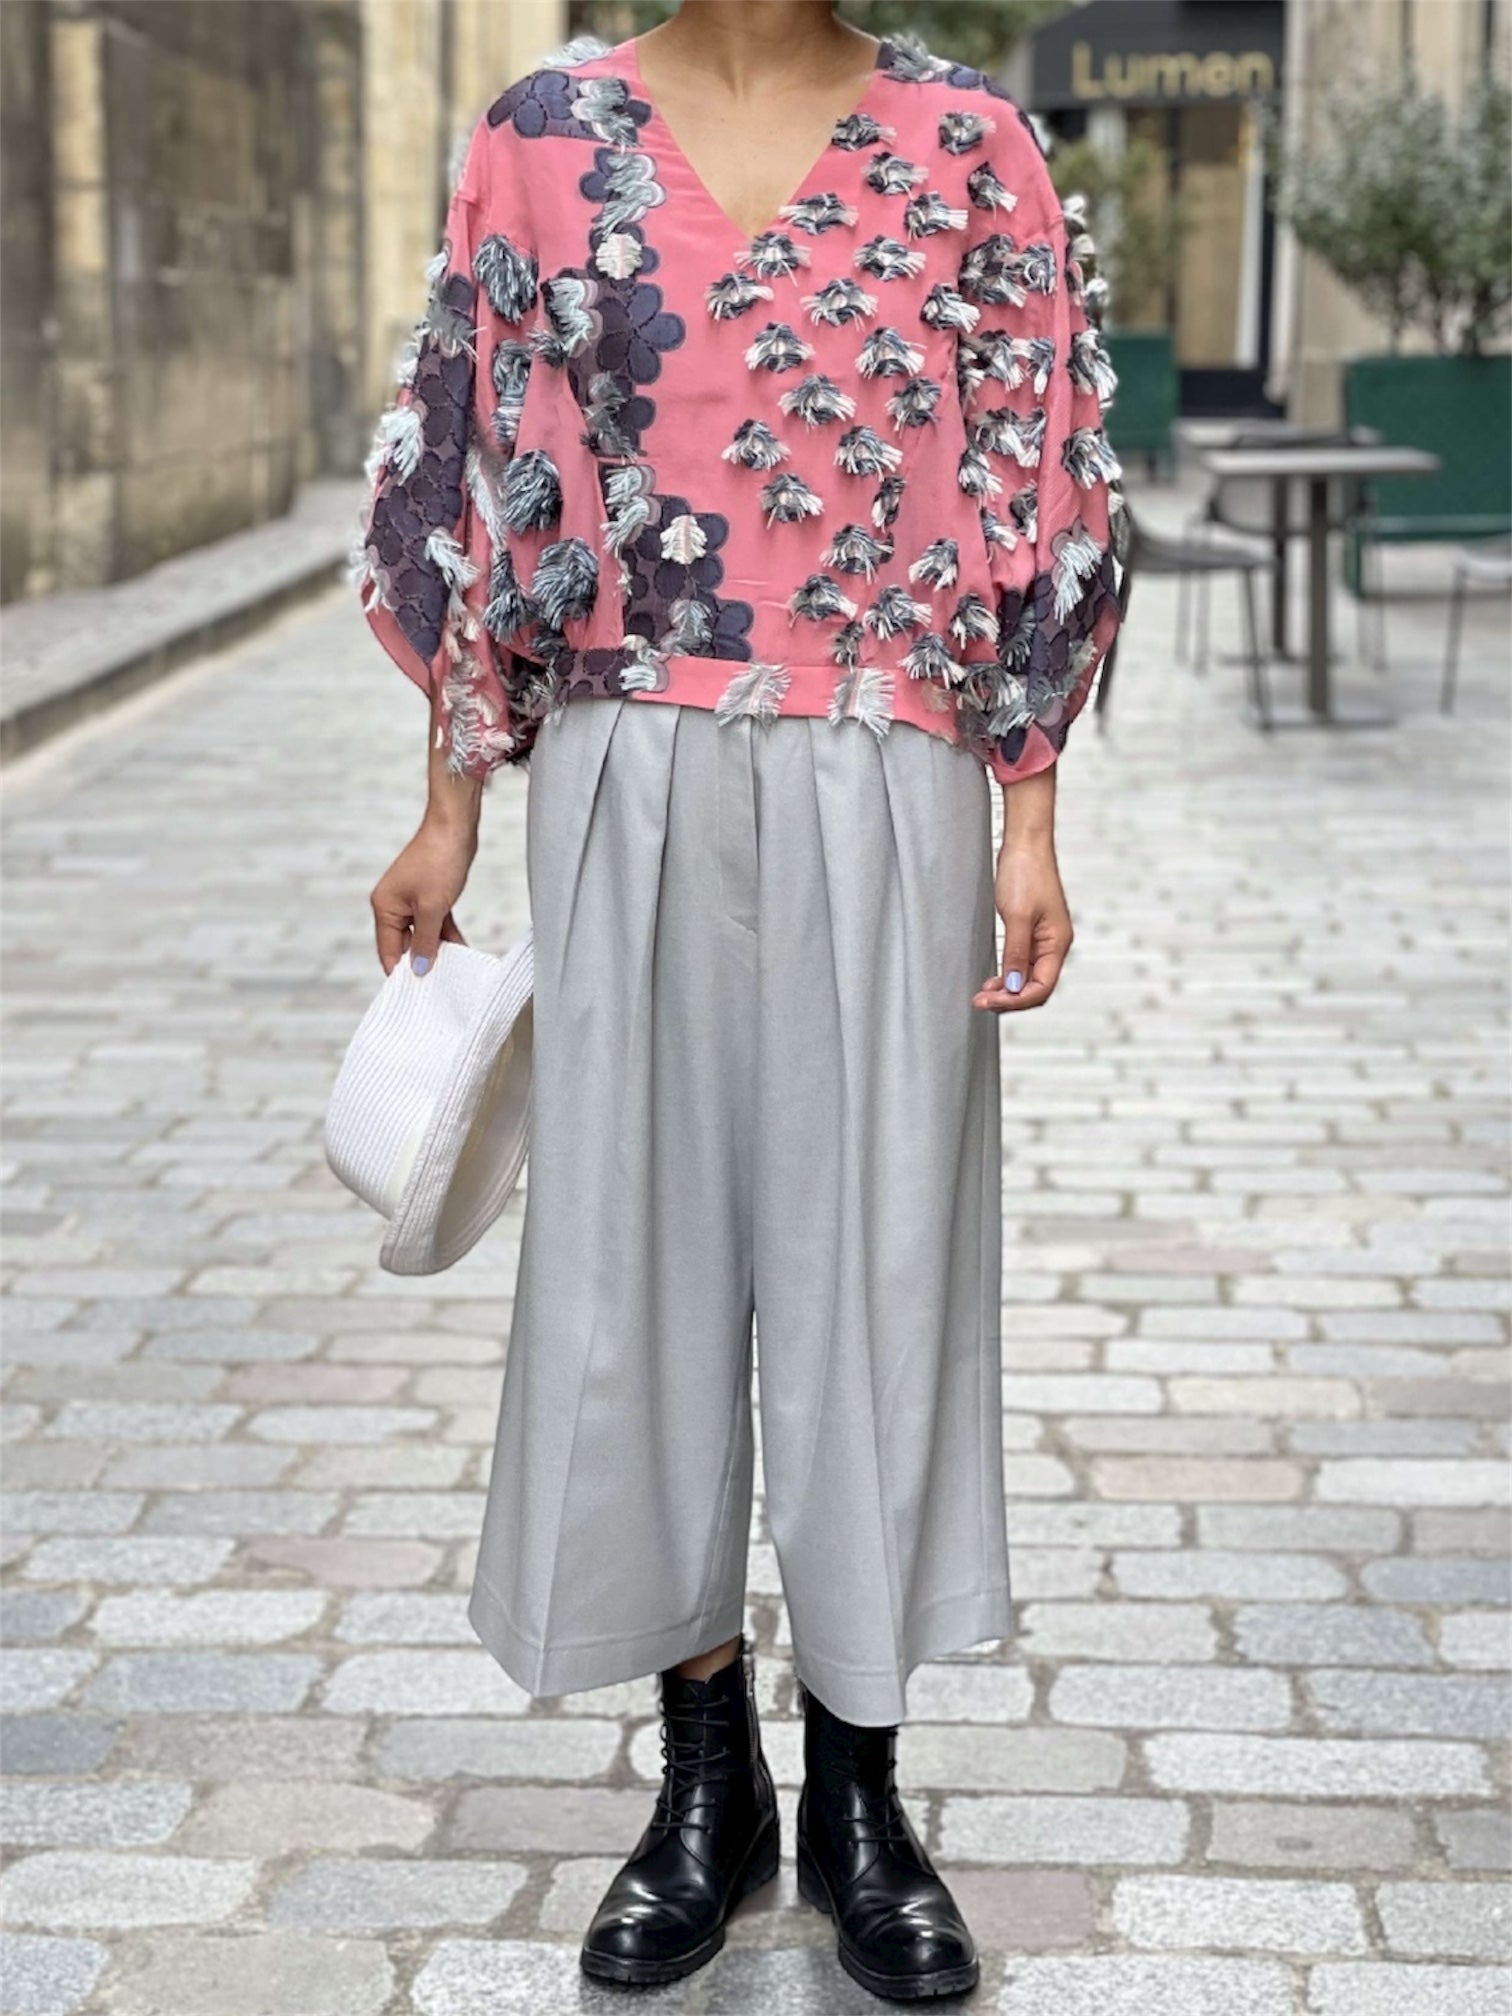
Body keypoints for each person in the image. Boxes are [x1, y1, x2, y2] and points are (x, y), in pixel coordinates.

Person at [355, 2, 1123, 2000]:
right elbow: (485, 476)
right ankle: (708, 1787)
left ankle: (863, 1791)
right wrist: (449, 805)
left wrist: (1031, 811)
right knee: (635, 1268)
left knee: (882, 1268)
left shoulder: (971, 142)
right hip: (626, 754)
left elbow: (1039, 470)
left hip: (898, 757)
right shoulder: (544, 129)